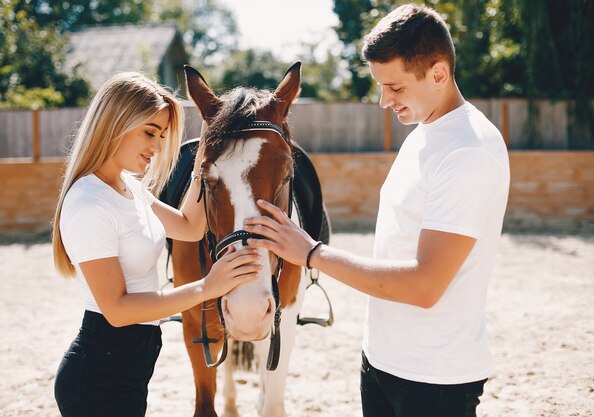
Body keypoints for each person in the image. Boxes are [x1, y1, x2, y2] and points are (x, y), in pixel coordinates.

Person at [243, 4, 510, 417]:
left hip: (433, 378)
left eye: (396, 87)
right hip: (385, 361)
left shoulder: (468, 151)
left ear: (438, 74)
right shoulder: (426, 132)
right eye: (381, 87)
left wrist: (312, 253)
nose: (384, 101)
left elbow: (425, 285)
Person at [51, 72, 260, 417]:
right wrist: (207, 288)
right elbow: (117, 310)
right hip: (98, 377)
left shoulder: (128, 188)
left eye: (163, 135)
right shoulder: (90, 203)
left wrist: (204, 161)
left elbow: (190, 226)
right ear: (114, 123)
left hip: (129, 365)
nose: (158, 146)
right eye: (150, 132)